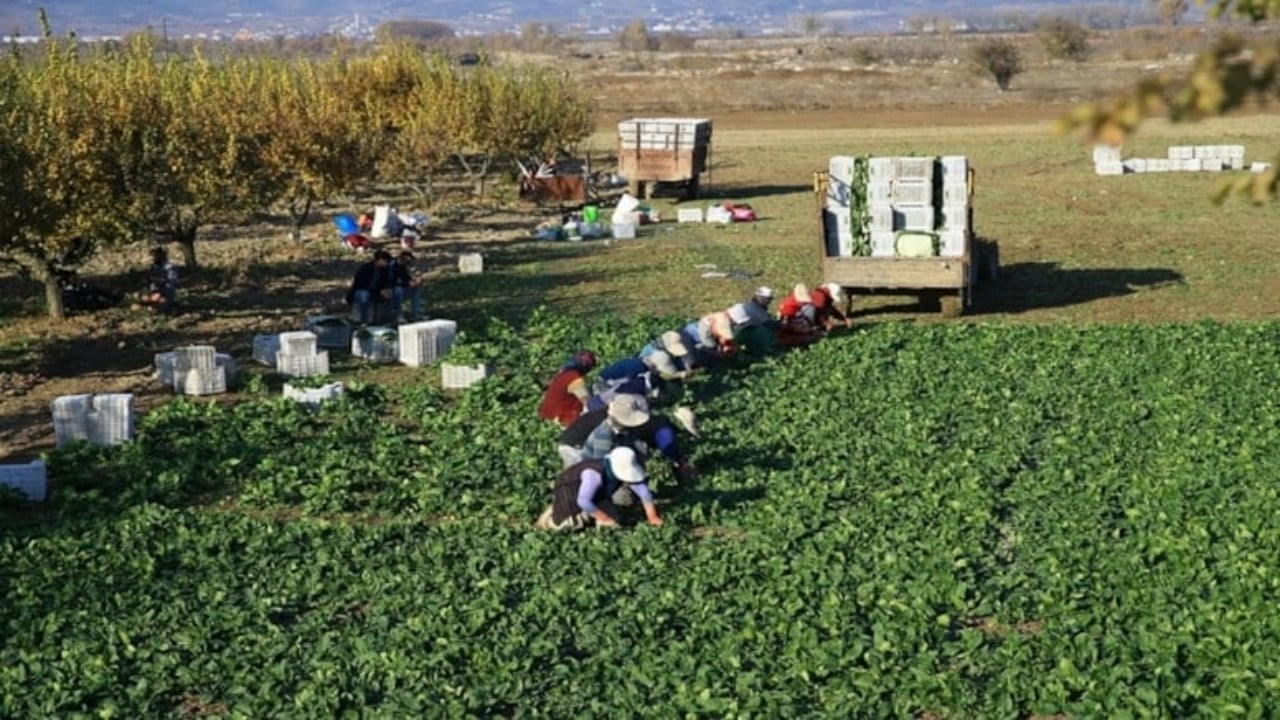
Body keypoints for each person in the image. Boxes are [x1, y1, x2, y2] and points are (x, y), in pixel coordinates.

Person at [535, 446, 662, 530]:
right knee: (567, 526)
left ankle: (596, 519)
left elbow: (643, 492)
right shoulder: (593, 475)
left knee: (618, 523)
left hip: (597, 497)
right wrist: (604, 519)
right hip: (571, 497)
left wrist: (652, 516)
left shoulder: (620, 467)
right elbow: (583, 501)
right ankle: (549, 520)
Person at [556, 393, 650, 468]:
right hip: (572, 446)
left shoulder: (611, 418)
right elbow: (600, 463)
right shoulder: (603, 431)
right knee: (579, 474)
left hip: (585, 439)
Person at [614, 406, 699, 485]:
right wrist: (681, 463)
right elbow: (669, 455)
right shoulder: (666, 435)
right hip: (635, 442)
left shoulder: (663, 417)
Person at [777, 283, 853, 347]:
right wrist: (826, 324)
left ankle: (810, 330)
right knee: (812, 335)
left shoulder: (825, 296)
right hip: (792, 325)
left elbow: (831, 309)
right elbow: (820, 314)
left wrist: (843, 318)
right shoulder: (820, 297)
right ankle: (810, 330)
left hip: (797, 322)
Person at [537, 350, 598, 427]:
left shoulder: (562, 376)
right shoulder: (574, 378)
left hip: (549, 419)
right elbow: (589, 403)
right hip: (563, 420)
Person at [345, 250, 393, 325]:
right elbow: (361, 285)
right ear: (380, 260)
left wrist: (387, 289)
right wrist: (379, 291)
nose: (387, 263)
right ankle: (364, 320)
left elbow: (387, 281)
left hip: (375, 292)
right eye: (386, 261)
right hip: (361, 291)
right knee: (364, 295)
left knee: (390, 294)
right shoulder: (365, 268)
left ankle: (385, 318)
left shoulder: (384, 270)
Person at [388, 250, 424, 322]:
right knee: (398, 290)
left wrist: (415, 281)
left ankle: (416, 314)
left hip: (401, 288)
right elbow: (391, 281)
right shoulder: (391, 266)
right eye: (407, 261)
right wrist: (407, 284)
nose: (408, 263)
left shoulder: (402, 267)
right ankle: (399, 314)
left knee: (416, 289)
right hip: (391, 291)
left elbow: (406, 278)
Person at [140, 246, 179, 313]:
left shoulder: (169, 267)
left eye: (154, 255)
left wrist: (160, 291)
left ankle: (169, 306)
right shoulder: (154, 267)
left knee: (160, 303)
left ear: (160, 255)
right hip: (154, 292)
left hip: (166, 292)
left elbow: (172, 282)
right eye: (152, 256)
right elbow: (148, 280)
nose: (152, 258)